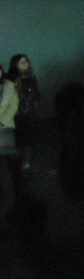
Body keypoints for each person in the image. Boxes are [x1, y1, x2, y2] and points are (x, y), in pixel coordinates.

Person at [7, 54, 40, 170]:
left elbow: (36, 93)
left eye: (26, 61)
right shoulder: (11, 80)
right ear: (15, 65)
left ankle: (26, 161)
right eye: (21, 62)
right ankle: (19, 162)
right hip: (17, 113)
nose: (24, 63)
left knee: (28, 137)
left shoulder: (32, 77)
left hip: (30, 112)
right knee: (20, 137)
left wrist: (36, 104)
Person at [0, 64, 22, 201]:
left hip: (5, 127)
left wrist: (2, 120)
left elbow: (13, 106)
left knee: (11, 161)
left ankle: (19, 188)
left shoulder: (8, 86)